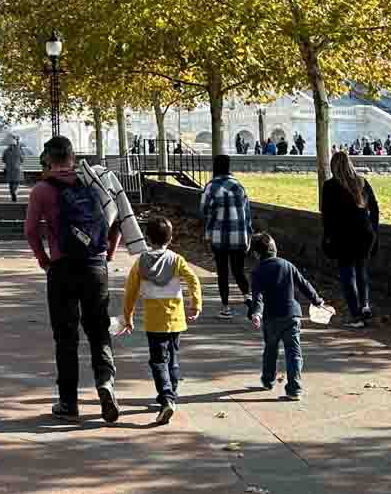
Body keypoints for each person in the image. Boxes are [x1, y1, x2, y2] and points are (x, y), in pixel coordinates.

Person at [23, 135, 121, 424]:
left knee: (65, 337)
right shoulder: (93, 182)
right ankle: (106, 383)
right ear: (72, 157)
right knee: (99, 330)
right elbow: (115, 220)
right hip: (95, 265)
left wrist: (44, 260)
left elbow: (31, 230)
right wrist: (108, 253)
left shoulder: (42, 190)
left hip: (62, 268)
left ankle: (68, 402)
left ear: (47, 160)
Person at [118, 214, 203, 424]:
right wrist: (195, 304)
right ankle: (171, 393)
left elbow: (130, 292)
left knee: (158, 361)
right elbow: (193, 280)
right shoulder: (177, 260)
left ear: (147, 238)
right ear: (170, 238)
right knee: (172, 358)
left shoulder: (141, 263)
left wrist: (128, 317)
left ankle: (166, 398)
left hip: (154, 321)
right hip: (175, 319)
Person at [246, 231, 323, 400]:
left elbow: (258, 296)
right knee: (294, 352)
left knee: (270, 350)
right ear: (275, 249)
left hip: (271, 317)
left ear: (256, 254)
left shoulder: (258, 271)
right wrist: (317, 301)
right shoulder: (287, 265)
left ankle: (268, 380)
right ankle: (294, 389)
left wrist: (257, 313)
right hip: (291, 315)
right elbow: (304, 284)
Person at [320, 150, 380, 327]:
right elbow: (375, 208)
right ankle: (365, 305)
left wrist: (327, 236)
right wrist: (373, 229)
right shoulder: (361, 181)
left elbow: (327, 215)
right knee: (361, 271)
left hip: (343, 235)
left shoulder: (330, 186)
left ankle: (356, 314)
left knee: (347, 276)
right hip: (364, 234)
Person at [199, 154, 253, 321]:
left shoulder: (211, 186)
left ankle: (226, 308)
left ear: (215, 167)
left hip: (219, 236)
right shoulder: (239, 186)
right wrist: (248, 235)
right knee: (238, 271)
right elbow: (247, 213)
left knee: (222, 272)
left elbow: (203, 209)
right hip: (239, 235)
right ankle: (250, 301)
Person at [1, 137, 24, 204]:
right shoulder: (18, 150)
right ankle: (14, 191)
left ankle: (12, 193)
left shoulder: (6, 151)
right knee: (16, 182)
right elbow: (22, 160)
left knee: (11, 183)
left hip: (9, 169)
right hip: (17, 169)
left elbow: (3, 160)